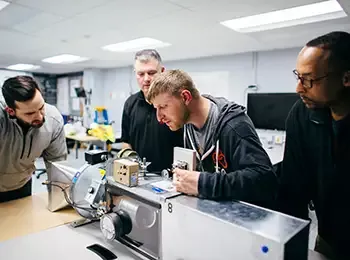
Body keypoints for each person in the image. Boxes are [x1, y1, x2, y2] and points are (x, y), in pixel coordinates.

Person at [146, 69, 278, 207]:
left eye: (163, 106)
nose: (159, 117)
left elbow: (265, 180)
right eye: (156, 108)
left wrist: (203, 183)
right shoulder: (187, 125)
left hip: (245, 220)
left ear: (185, 97)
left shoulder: (235, 126)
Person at [277, 31, 350, 259]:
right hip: (328, 239)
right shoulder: (302, 115)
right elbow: (293, 190)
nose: (299, 88)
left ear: (346, 78)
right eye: (298, 77)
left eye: (309, 80)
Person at [0, 76, 67, 203]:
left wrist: (59, 203)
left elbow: (57, 165)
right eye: (29, 113)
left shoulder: (53, 119)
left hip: (22, 185)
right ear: (11, 111)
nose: (40, 117)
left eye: (41, 107)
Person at [121, 49, 183, 173]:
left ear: (162, 72)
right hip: (139, 177)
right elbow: (126, 142)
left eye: (151, 73)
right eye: (141, 74)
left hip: (171, 178)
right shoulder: (130, 103)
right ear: (135, 74)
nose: (146, 79)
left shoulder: (177, 103)